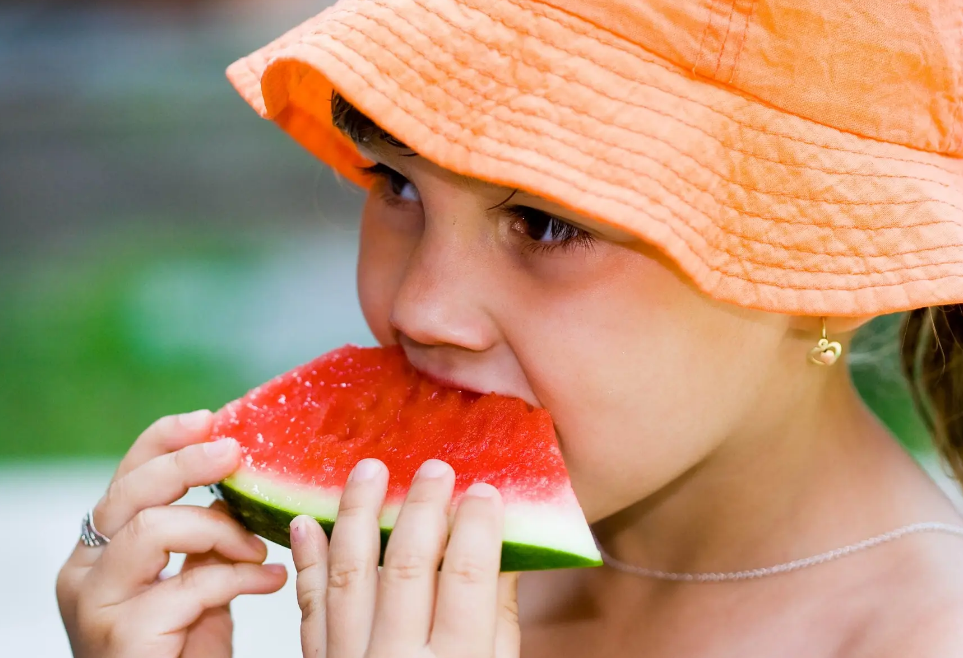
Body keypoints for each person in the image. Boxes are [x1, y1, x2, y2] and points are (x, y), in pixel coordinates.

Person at [57, 0, 963, 655]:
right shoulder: (404, 583)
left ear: (837, 273)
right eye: (396, 183)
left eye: (545, 224)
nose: (420, 307)